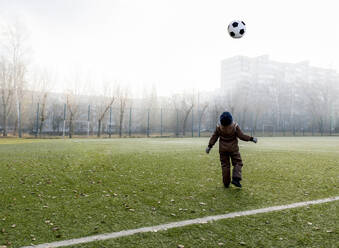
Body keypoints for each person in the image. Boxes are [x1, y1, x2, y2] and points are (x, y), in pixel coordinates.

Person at [205, 111, 257, 188]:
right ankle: (236, 178)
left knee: (225, 166)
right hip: (233, 149)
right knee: (238, 163)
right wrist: (251, 139)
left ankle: (226, 183)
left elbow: (214, 137)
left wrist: (209, 146)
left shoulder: (219, 127)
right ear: (231, 120)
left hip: (223, 150)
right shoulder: (235, 127)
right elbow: (242, 136)